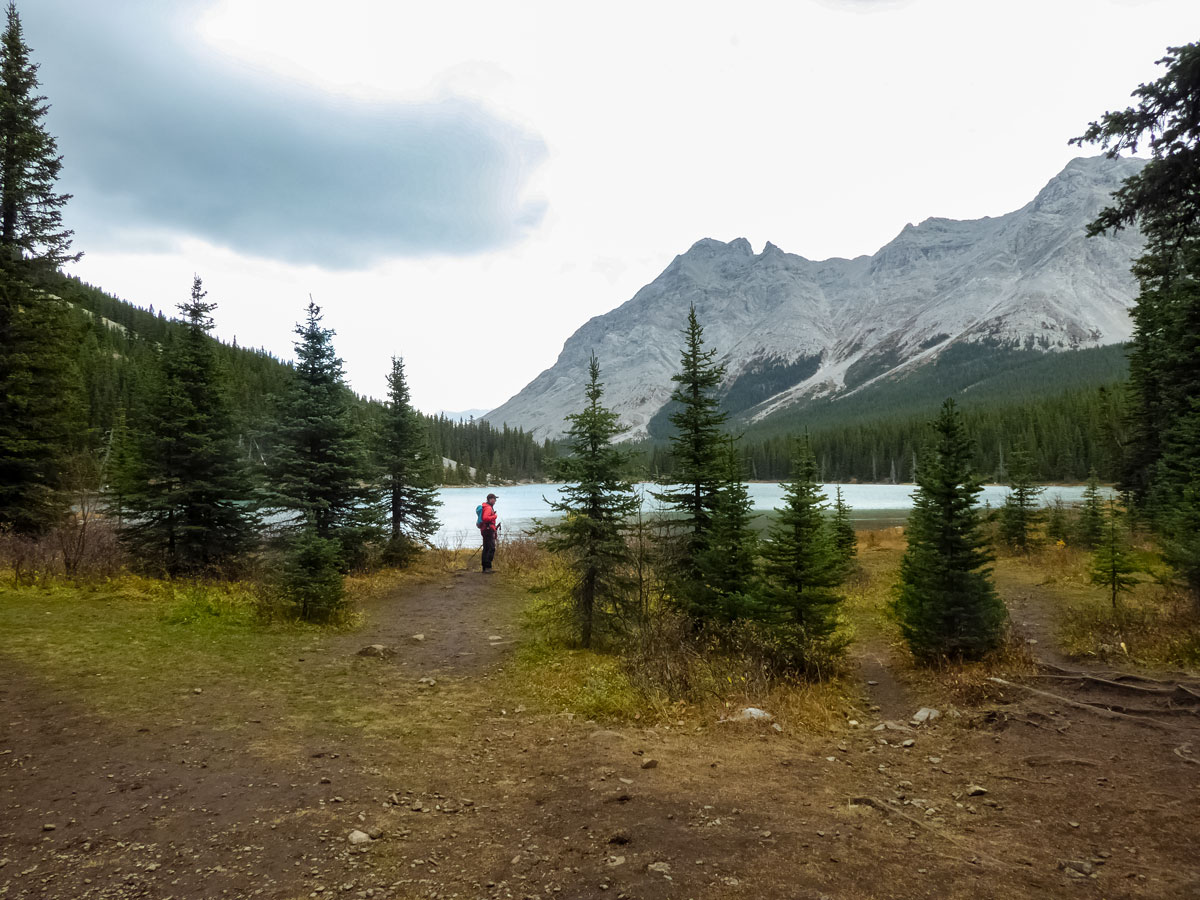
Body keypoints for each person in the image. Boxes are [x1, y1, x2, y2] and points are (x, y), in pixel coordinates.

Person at [479, 492, 499, 573]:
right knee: (491, 548)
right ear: (490, 500)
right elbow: (485, 518)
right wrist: (494, 516)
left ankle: (485, 567)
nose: (495, 501)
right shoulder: (488, 508)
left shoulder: (486, 507)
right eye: (494, 499)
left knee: (486, 548)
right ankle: (488, 567)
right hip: (488, 530)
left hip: (485, 529)